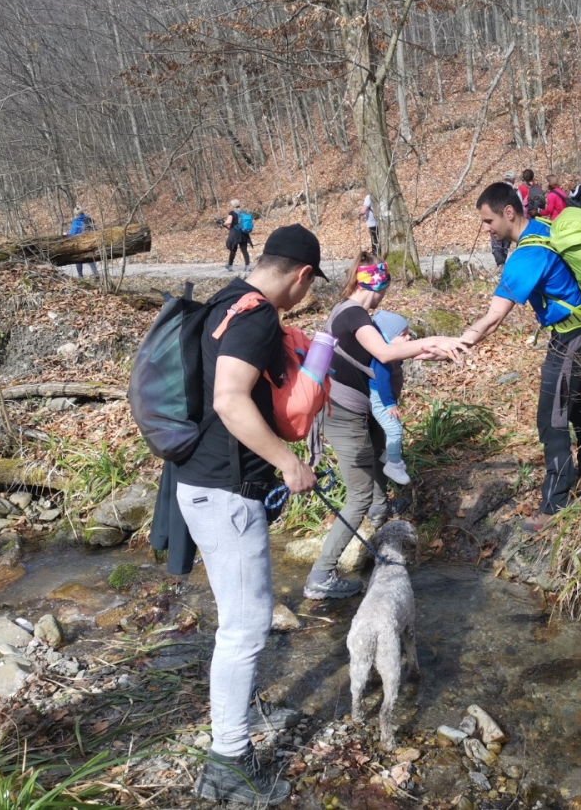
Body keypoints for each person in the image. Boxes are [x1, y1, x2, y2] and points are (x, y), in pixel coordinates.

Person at [174, 224, 327, 808]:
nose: (306, 300)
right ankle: (228, 764)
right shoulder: (259, 315)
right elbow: (230, 398)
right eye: (310, 289)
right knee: (245, 626)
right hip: (226, 492)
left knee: (237, 621)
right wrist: (289, 462)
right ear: (301, 275)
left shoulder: (223, 301)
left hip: (201, 482)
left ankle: (229, 737)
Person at [306, 256, 467, 600]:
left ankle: (379, 519)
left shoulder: (354, 313)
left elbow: (394, 352)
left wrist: (450, 347)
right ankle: (321, 574)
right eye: (385, 288)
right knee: (359, 495)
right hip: (343, 413)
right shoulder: (353, 313)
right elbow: (384, 351)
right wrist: (432, 339)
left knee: (380, 453)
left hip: (360, 410)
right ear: (377, 286)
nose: (384, 296)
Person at [460, 181, 581, 534]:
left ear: (509, 213)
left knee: (551, 417)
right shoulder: (543, 227)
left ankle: (554, 504)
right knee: (576, 399)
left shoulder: (527, 254)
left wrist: (461, 341)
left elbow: (494, 317)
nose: (486, 229)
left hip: (572, 334)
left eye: (488, 220)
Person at [369, 310, 411, 486]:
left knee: (391, 427)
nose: (408, 338)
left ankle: (389, 453)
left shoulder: (393, 351)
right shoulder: (382, 359)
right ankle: (393, 464)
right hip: (379, 397)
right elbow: (382, 382)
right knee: (394, 429)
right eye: (403, 335)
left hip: (385, 397)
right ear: (386, 336)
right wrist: (389, 404)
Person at [491, 173, 517, 266]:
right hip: (508, 220)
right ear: (513, 180)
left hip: (496, 219)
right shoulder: (515, 191)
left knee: (496, 244)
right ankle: (502, 264)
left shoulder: (495, 191)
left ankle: (500, 264)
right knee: (505, 244)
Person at [67, 206, 98, 278]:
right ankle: (96, 274)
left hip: (81, 243)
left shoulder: (76, 221)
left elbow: (72, 234)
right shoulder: (89, 219)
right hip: (91, 242)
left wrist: (66, 235)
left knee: (78, 259)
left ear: (75, 213)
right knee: (90, 258)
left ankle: (80, 276)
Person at [223, 199, 253, 271]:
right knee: (244, 250)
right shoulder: (243, 212)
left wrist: (224, 223)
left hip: (235, 234)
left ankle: (230, 265)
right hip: (244, 234)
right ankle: (247, 265)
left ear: (232, 205)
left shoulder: (232, 213)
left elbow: (229, 222)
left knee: (233, 249)